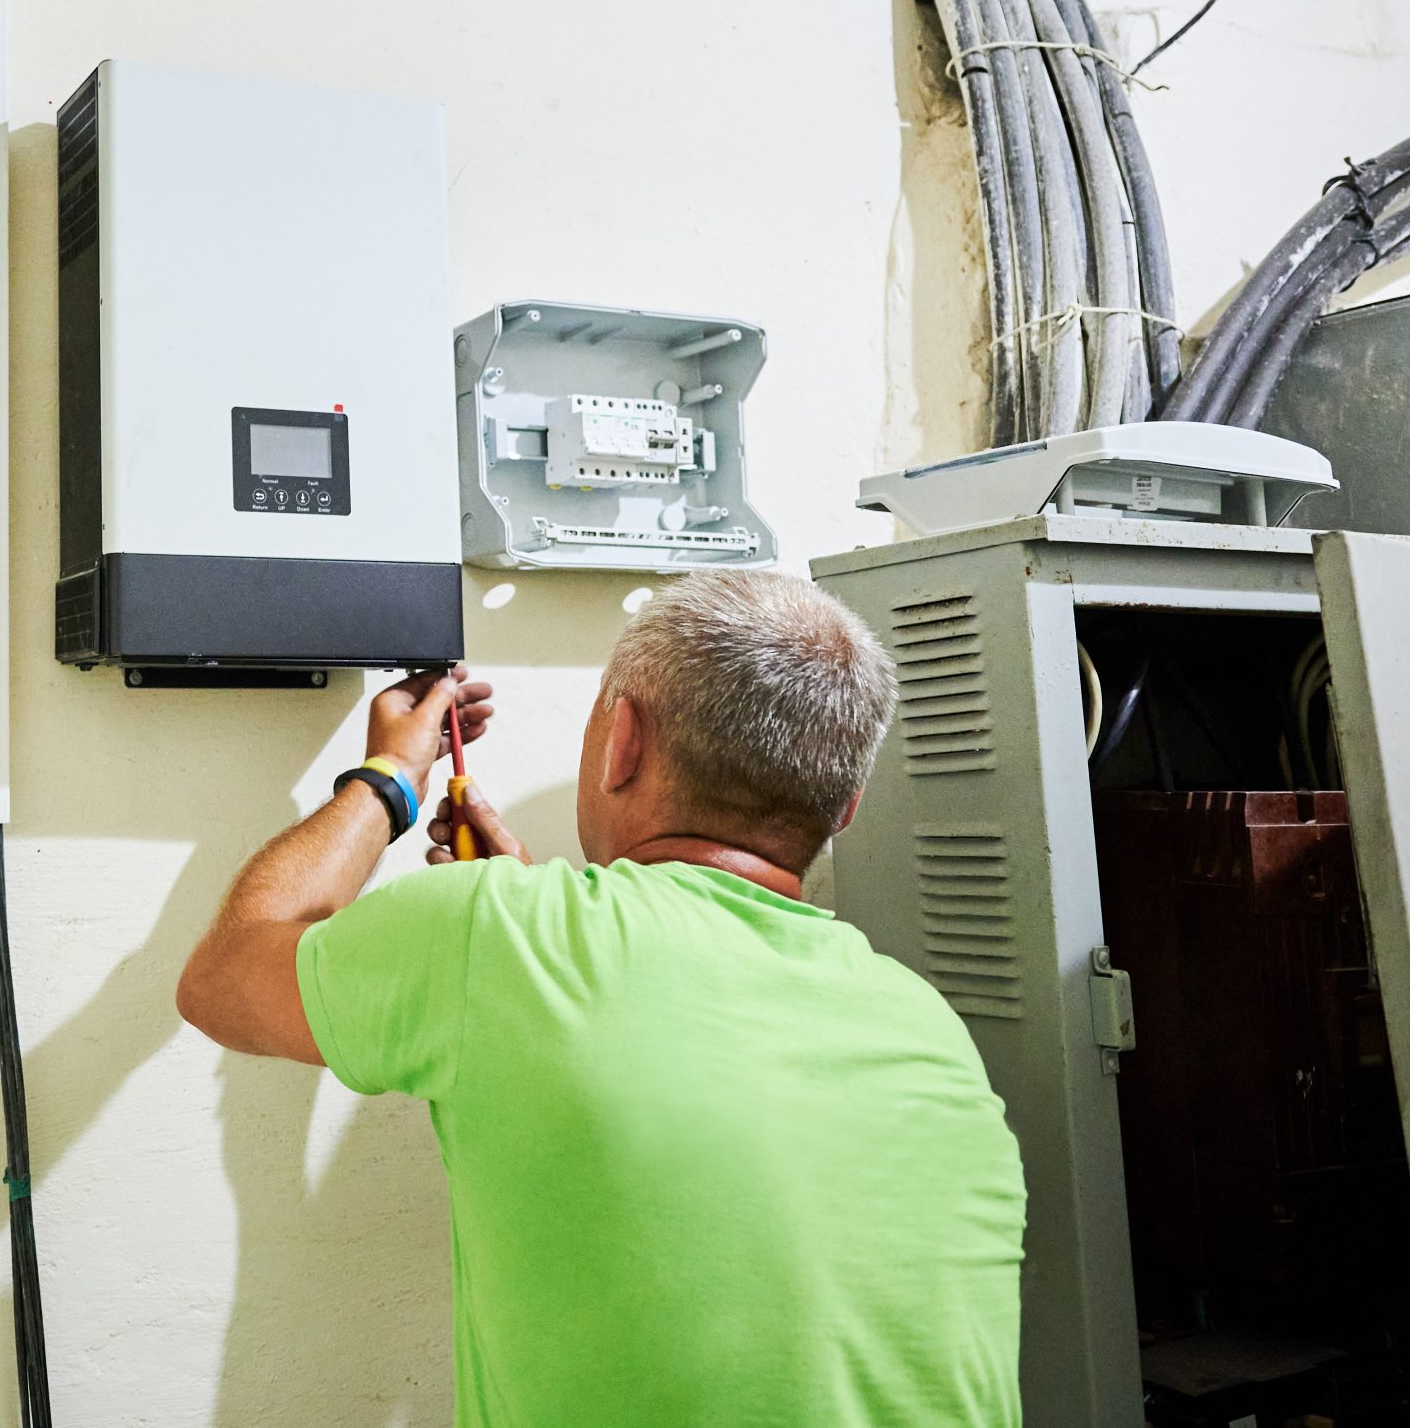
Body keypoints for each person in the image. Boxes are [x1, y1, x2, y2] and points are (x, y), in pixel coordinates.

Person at [176, 569, 1026, 1426]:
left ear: (622, 739)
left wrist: (392, 775)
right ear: (846, 805)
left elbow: (222, 977)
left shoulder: (498, 940)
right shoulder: (926, 1024)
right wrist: (525, 916)